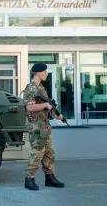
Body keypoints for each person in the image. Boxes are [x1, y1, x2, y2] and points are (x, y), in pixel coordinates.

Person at [22, 63, 65, 191]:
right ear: (39, 72)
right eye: (45, 72)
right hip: (36, 126)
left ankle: (49, 177)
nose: (46, 74)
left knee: (49, 152)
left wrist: (56, 115)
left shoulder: (41, 88)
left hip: (45, 125)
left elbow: (45, 108)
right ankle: (29, 179)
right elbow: (29, 107)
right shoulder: (31, 88)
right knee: (37, 152)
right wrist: (45, 105)